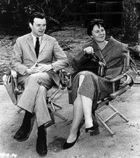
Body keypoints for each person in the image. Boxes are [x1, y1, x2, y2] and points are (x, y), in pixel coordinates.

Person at [63, 19, 137, 149]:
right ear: (91, 35)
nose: (101, 33)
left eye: (102, 30)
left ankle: (77, 129)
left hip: (108, 83)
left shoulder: (118, 46)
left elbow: (131, 66)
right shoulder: (88, 47)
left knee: (83, 78)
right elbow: (74, 65)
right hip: (89, 83)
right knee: (83, 76)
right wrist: (85, 55)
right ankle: (86, 123)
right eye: (97, 31)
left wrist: (129, 77)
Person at [10, 11, 68, 156]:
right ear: (31, 25)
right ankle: (41, 134)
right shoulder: (21, 41)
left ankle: (26, 121)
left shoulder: (51, 41)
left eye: (44, 25)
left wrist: (50, 67)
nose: (42, 28)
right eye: (38, 25)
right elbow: (14, 62)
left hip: (46, 75)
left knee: (37, 79)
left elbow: (65, 60)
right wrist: (27, 70)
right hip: (27, 76)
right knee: (40, 90)